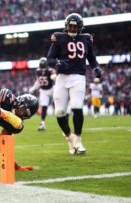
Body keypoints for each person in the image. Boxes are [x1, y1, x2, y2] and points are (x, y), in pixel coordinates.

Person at [47, 13, 102, 155]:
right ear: (66, 26)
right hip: (62, 77)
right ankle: (69, 137)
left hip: (78, 77)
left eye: (75, 26)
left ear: (80, 27)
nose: (72, 28)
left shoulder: (86, 39)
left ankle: (78, 138)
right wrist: (59, 62)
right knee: (60, 112)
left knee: (77, 107)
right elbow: (50, 59)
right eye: (70, 26)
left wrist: (96, 67)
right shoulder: (58, 38)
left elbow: (92, 58)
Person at [29, 57, 56, 131]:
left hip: (51, 89)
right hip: (44, 90)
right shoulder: (47, 70)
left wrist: (32, 89)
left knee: (50, 106)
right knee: (44, 107)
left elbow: (38, 82)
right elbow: (38, 81)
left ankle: (43, 123)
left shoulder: (43, 70)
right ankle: (42, 123)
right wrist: (33, 88)